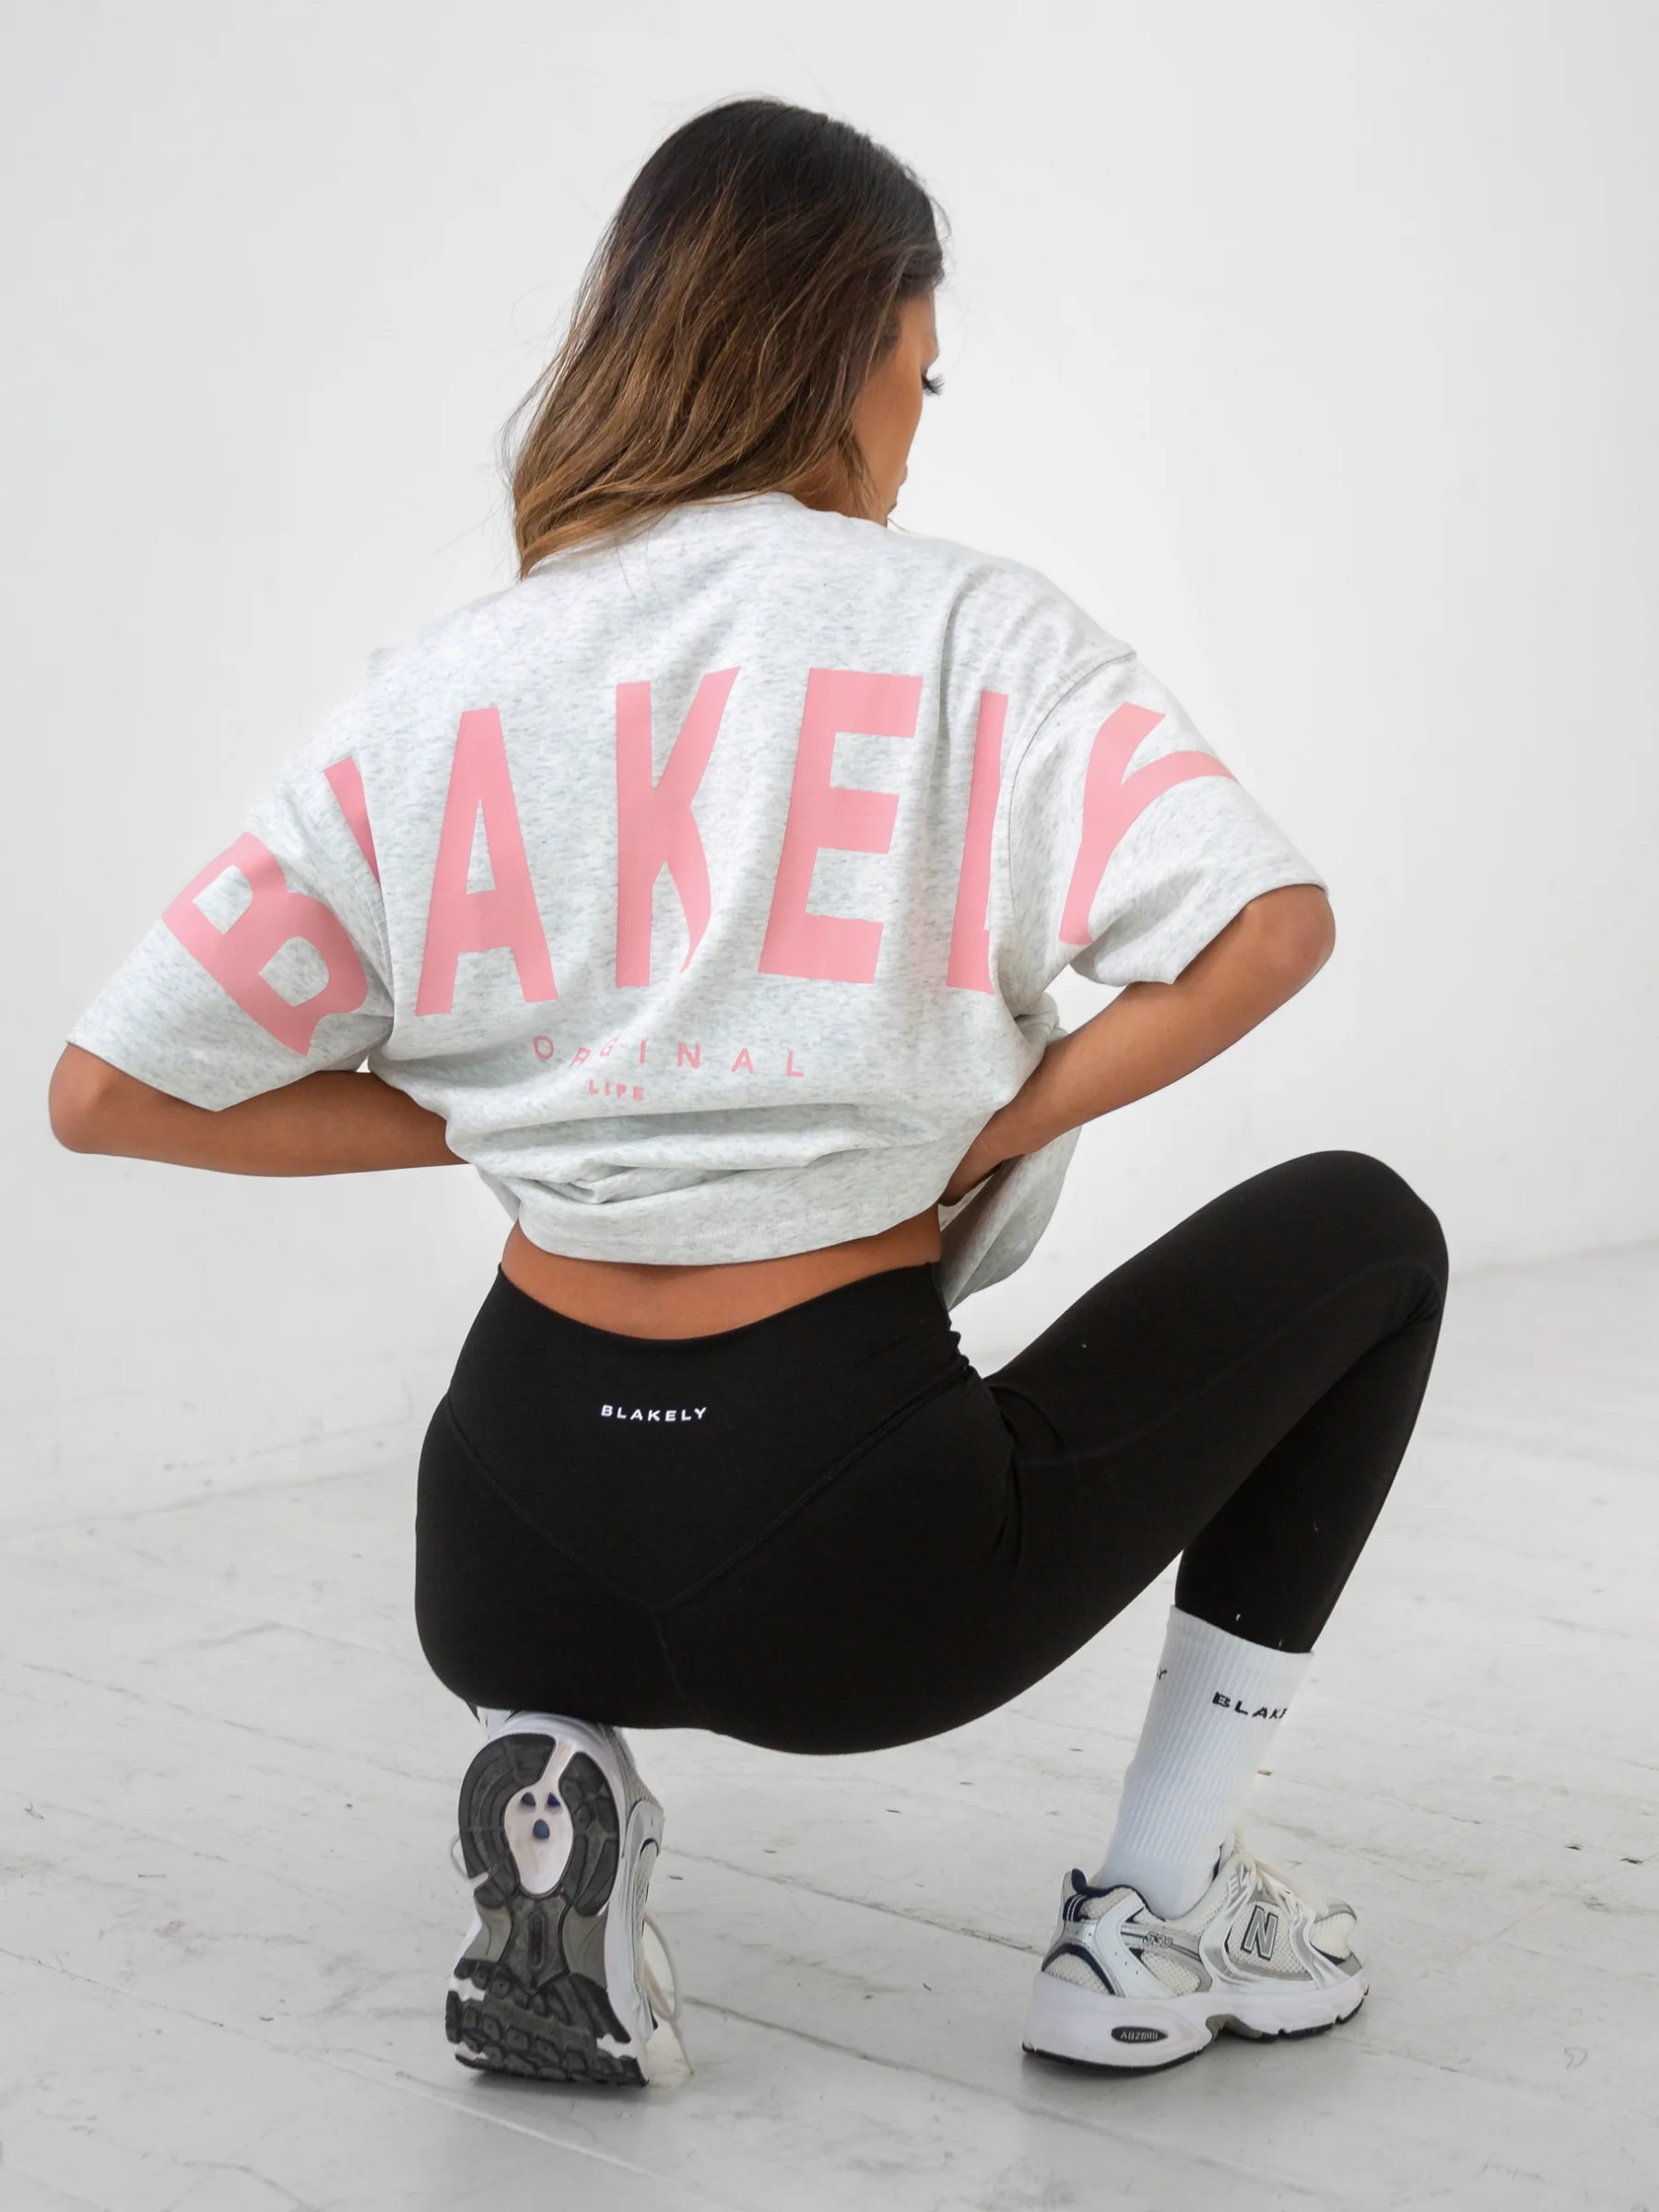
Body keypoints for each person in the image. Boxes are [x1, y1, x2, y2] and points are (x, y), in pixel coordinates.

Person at [49, 97, 1447, 2088]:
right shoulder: (968, 630)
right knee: (1370, 1236)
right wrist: (996, 1121)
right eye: (919, 377)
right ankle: (1153, 1914)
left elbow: (109, 1093)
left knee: (569, 1558)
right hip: (844, 1556)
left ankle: (554, 1770)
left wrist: (510, 1108)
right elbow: (1269, 929)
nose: (916, 432)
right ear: (845, 341)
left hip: (503, 1534)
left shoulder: (443, 686)